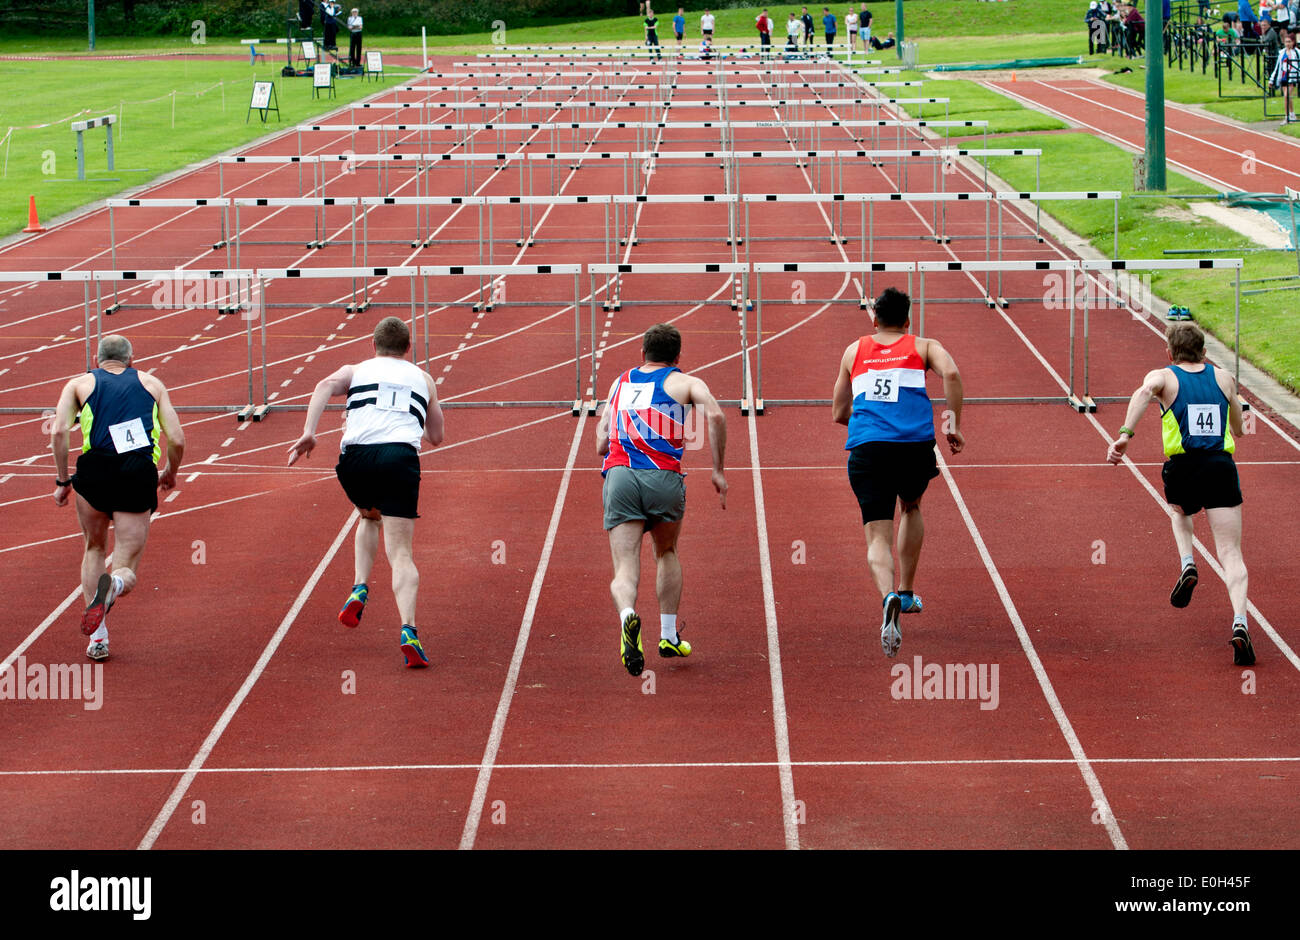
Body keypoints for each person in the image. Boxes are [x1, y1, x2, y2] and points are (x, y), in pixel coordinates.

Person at [287, 317, 445, 669]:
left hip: (354, 459)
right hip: (399, 457)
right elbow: (436, 437)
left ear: (373, 345)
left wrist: (310, 431)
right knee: (401, 553)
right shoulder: (423, 379)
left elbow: (324, 385)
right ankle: (409, 630)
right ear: (408, 349)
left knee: (368, 515)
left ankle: (360, 585)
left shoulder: (355, 369)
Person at [1106, 323, 1254, 666]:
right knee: (1231, 553)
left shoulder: (1164, 377)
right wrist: (1233, 416)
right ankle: (1240, 623)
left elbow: (1143, 392)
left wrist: (1126, 434)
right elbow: (1239, 430)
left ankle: (1188, 562)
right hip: (1220, 466)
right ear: (1204, 351)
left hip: (1184, 467)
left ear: (1169, 353)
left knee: (1180, 512)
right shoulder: (1224, 378)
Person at [830, 288, 965, 659]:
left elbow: (838, 411)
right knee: (911, 506)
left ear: (874, 319)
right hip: (913, 446)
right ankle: (906, 593)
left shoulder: (853, 351)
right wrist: (952, 424)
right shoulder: (923, 346)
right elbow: (951, 373)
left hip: (868, 446)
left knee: (876, 532)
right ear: (907, 320)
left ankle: (888, 595)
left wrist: (869, 425)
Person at [596, 324, 727, 677]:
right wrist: (718, 470)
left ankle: (628, 616)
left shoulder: (619, 383)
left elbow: (602, 436)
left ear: (642, 354)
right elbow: (715, 414)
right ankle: (668, 636)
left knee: (625, 566)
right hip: (664, 478)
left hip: (621, 476)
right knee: (666, 552)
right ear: (677, 357)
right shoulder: (686, 383)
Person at [51, 335, 185, 662]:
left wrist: (63, 479)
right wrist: (170, 472)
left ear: (96, 360)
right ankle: (116, 585)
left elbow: (58, 432)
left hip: (94, 470)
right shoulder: (152, 384)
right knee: (126, 566)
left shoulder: (79, 383)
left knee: (94, 547)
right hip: (137, 472)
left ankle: (98, 638)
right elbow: (178, 439)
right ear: (131, 358)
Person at [1269, 26, 1300, 124]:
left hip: (1293, 77)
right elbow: (1277, 67)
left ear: (1293, 42)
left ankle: (1288, 116)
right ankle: (1291, 114)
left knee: (1287, 95)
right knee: (1287, 96)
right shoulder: (1281, 53)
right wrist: (1271, 80)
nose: (1287, 44)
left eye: (1289, 42)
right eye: (1286, 42)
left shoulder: (1297, 53)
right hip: (1283, 76)